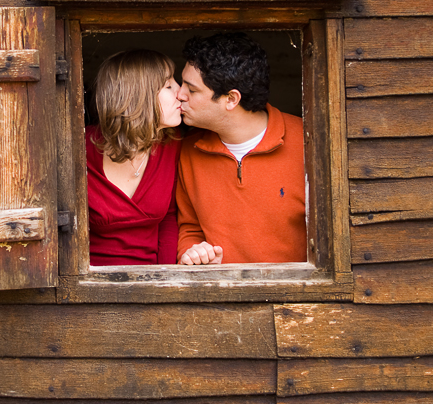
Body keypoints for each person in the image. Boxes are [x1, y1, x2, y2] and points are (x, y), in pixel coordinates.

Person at [175, 33, 307, 265]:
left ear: (231, 99)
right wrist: (192, 254)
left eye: (192, 90)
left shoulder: (309, 142)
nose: (179, 95)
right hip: (219, 296)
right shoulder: (189, 149)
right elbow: (190, 228)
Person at [86, 50, 182, 266]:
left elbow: (169, 220)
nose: (181, 92)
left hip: (151, 282)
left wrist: (166, 282)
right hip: (89, 284)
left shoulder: (173, 146)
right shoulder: (78, 148)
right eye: (168, 86)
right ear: (138, 96)